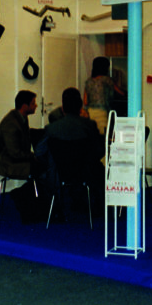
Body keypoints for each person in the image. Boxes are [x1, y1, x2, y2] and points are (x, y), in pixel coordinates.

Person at [37, 87, 105, 215]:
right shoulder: (89, 125)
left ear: (63, 108)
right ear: (80, 107)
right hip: (86, 173)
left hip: (60, 173)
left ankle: (56, 207)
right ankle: (98, 207)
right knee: (100, 169)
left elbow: (39, 152)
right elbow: (99, 150)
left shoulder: (51, 129)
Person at [0, 90, 48, 222]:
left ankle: (30, 199)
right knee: (45, 171)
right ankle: (25, 196)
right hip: (10, 164)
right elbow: (14, 153)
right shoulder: (11, 124)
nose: (36, 106)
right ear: (25, 106)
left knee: (44, 168)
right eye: (33, 103)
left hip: (18, 160)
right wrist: (32, 157)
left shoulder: (20, 119)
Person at [84, 56, 126, 134]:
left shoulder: (88, 81)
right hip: (102, 113)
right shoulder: (107, 80)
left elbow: (85, 101)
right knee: (103, 135)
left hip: (90, 113)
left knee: (93, 134)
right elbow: (121, 93)